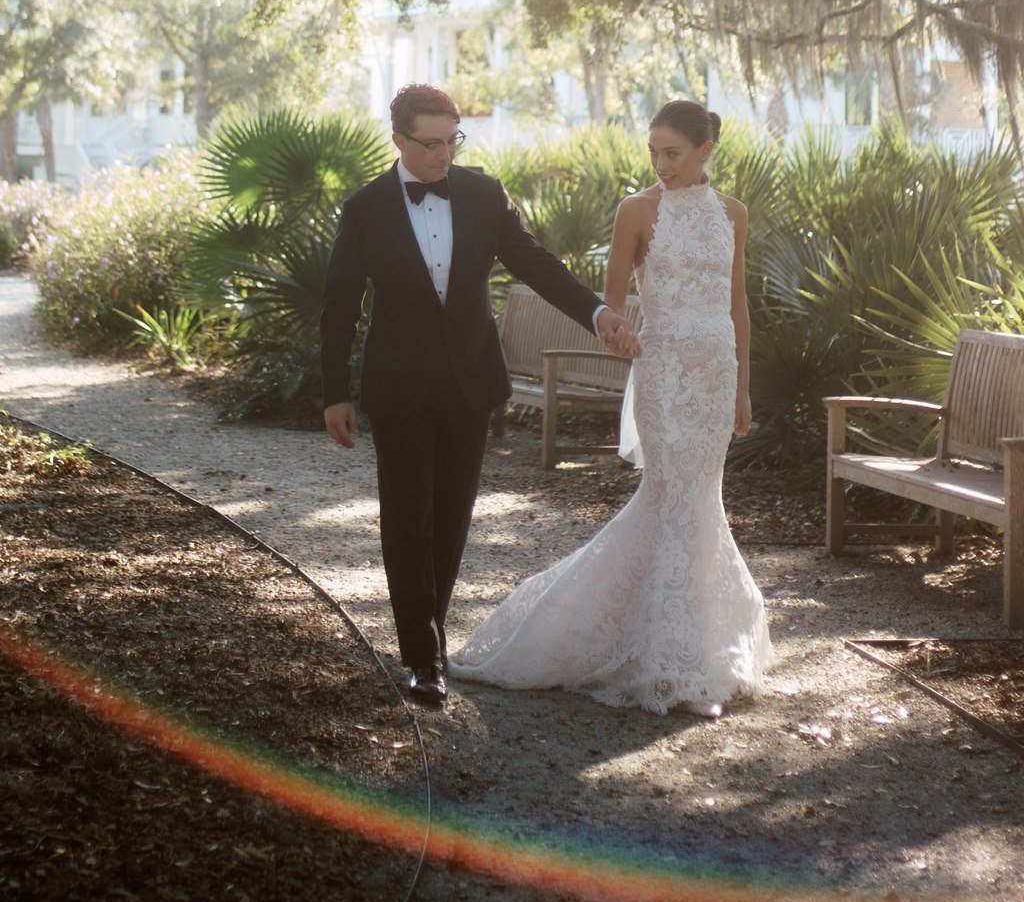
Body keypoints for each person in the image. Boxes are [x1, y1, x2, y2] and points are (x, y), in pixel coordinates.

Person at [447, 100, 770, 717]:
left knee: (700, 501)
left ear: (706, 150)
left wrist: (743, 386)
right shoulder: (637, 210)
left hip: (715, 372)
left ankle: (695, 647)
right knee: (669, 494)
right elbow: (612, 302)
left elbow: (738, 304)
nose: (661, 163)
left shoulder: (734, 213)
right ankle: (658, 655)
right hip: (664, 369)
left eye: (672, 152)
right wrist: (615, 331)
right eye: (654, 152)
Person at [320, 84, 640, 708]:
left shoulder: (483, 194)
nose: (444, 155)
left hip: (470, 384)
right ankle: (420, 657)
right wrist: (335, 393)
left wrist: (597, 312)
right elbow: (338, 307)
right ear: (400, 140)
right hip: (400, 385)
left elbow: (535, 264)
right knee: (406, 518)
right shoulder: (365, 209)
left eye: (452, 140)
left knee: (451, 519)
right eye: (431, 143)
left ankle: (430, 639)